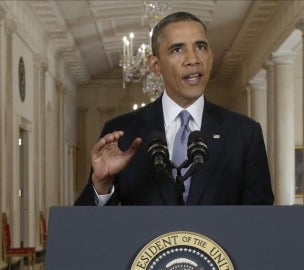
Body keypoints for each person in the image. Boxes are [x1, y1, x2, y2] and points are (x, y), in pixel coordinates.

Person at [75, 11, 274, 206]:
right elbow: (87, 229)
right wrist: (100, 185)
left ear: (211, 57)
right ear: (155, 65)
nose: (193, 59)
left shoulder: (244, 133)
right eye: (177, 49)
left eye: (201, 47)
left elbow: (260, 223)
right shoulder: (122, 132)